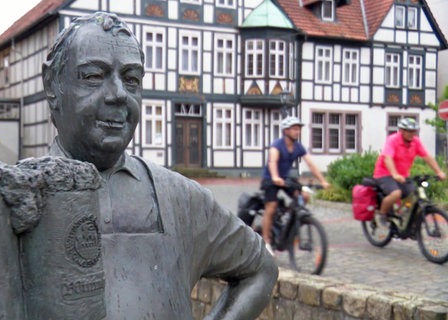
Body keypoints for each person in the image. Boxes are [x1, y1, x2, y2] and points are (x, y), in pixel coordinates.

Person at [41, 12, 278, 319]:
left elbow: (260, 269)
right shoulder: (12, 199)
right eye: (93, 76)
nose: (118, 94)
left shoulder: (181, 198)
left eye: (131, 79)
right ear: (52, 84)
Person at [260, 116, 330, 254]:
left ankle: (290, 218)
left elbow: (310, 163)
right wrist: (275, 176)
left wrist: (322, 180)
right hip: (271, 179)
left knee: (304, 195)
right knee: (271, 207)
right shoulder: (277, 145)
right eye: (294, 129)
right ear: (286, 131)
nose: (297, 132)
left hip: (285, 178)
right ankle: (266, 240)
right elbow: (272, 162)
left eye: (298, 129)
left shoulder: (298, 147)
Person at [373, 118, 446, 225]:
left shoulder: (416, 142)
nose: (412, 134)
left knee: (414, 194)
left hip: (403, 176)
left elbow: (427, 157)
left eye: (414, 131)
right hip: (384, 174)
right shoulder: (392, 140)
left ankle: (404, 217)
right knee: (396, 193)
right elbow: (387, 158)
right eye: (409, 131)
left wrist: (439, 171)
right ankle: (383, 214)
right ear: (401, 131)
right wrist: (395, 174)